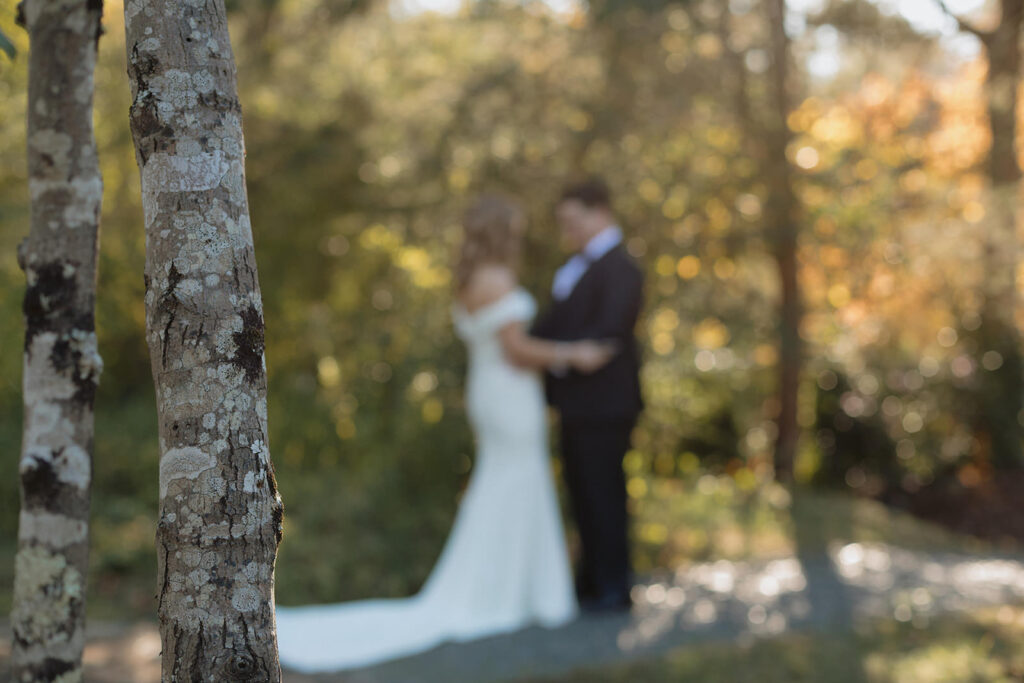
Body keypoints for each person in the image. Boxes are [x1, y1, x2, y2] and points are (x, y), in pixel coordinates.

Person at [274, 194, 615, 673]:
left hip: (488, 389)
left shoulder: (468, 278)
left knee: (503, 479)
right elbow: (516, 350)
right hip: (510, 392)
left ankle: (517, 588)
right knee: (517, 478)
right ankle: (519, 593)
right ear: (502, 232)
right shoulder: (498, 279)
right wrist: (573, 354)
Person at [531, 177, 645, 612]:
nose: (569, 231)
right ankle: (591, 579)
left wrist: (554, 355)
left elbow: (607, 334)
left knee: (605, 493)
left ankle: (615, 584)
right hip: (575, 403)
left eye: (574, 220)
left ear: (600, 213)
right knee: (581, 492)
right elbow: (554, 328)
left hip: (607, 404)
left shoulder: (623, 268)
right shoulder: (573, 268)